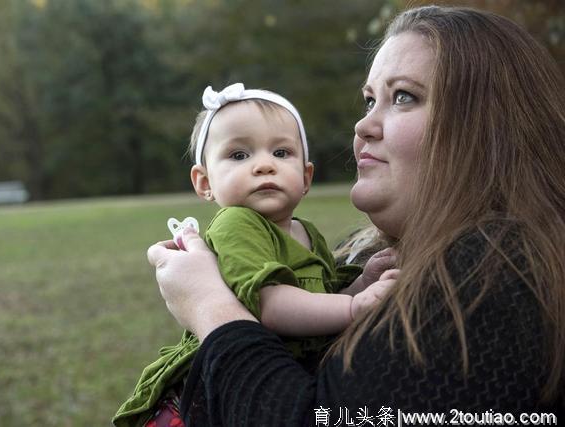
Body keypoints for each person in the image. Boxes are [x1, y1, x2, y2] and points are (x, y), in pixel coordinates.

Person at [146, 5, 565, 425]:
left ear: (488, 128)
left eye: (404, 96)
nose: (363, 125)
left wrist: (210, 307)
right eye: (369, 100)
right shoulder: (361, 254)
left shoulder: (498, 269)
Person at [114, 84, 397, 426]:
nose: (264, 165)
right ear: (204, 183)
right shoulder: (236, 224)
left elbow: (320, 301)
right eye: (239, 155)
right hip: (209, 399)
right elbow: (272, 305)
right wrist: (354, 307)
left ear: (306, 177)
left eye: (281, 153)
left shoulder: (307, 232)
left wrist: (361, 284)